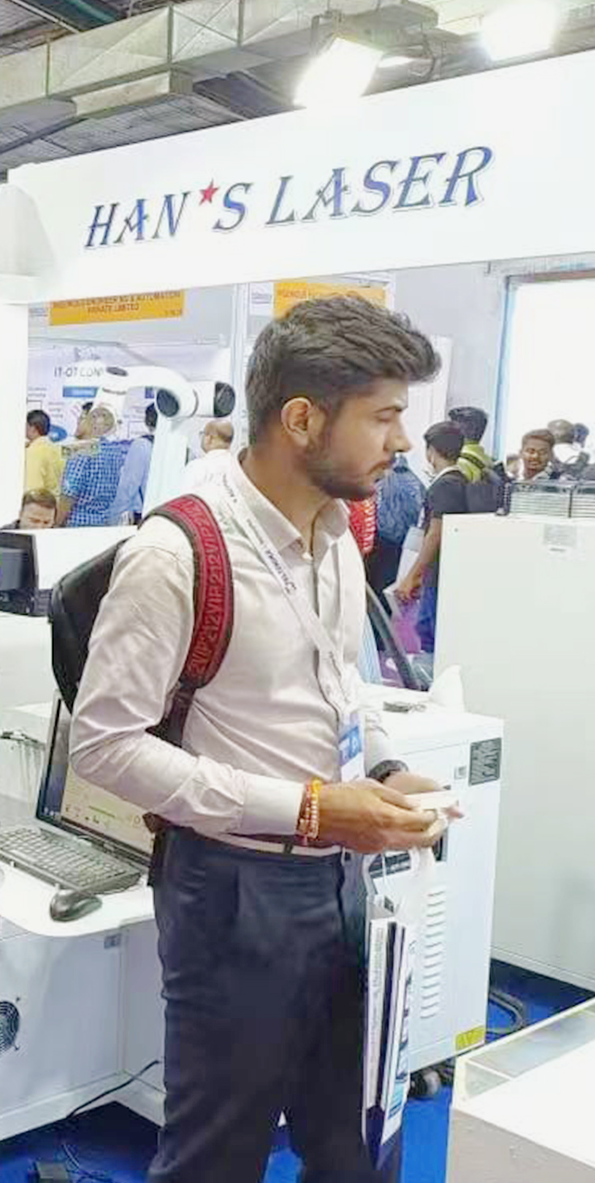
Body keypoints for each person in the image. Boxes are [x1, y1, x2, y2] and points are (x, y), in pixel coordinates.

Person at [70, 296, 449, 1183]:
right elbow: (105, 744)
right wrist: (311, 808)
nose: (401, 441)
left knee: (361, 1142)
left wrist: (385, 768)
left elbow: (337, 685)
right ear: (303, 419)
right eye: (384, 416)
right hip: (230, 889)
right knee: (217, 1155)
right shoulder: (177, 552)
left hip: (345, 881)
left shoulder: (337, 536)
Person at [396, 421, 471, 655]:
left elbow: (435, 532)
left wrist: (413, 575)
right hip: (443, 572)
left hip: (438, 574)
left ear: (431, 451)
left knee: (429, 633)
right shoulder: (460, 481)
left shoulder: (445, 485)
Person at [56, 404, 130, 527]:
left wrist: (56, 524)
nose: (77, 423)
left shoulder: (81, 449)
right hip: (104, 523)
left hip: (77, 524)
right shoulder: (114, 451)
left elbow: (69, 494)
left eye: (81, 418)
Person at [369, 454, 424, 594]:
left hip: (383, 544)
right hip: (406, 545)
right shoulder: (415, 480)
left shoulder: (383, 481)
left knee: (380, 587)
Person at [108, 404, 156, 524]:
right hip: (173, 514)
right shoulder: (184, 448)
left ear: (147, 421)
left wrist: (113, 518)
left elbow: (128, 486)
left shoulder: (142, 445)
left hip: (146, 515)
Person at [179, 419, 235, 492]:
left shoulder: (198, 466)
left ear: (209, 438)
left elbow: (186, 496)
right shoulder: (237, 467)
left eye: (203, 434)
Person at [22, 408, 65, 499]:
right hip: (54, 501)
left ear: (33, 428)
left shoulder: (33, 452)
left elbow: (32, 489)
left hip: (39, 502)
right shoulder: (56, 449)